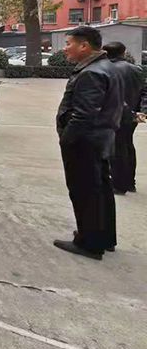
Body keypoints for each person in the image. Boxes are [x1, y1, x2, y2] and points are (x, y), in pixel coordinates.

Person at [54, 26, 121, 260]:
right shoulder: (107, 67)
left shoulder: (91, 73)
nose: (65, 49)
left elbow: (83, 115)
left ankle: (89, 243)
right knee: (100, 189)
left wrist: (67, 139)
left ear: (84, 46)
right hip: (100, 138)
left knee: (84, 191)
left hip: (85, 142)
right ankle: (104, 237)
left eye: (68, 44)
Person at [102, 41, 145, 195]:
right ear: (123, 52)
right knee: (127, 145)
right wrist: (141, 111)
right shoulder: (137, 69)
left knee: (116, 149)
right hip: (132, 114)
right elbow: (144, 90)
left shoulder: (107, 69)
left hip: (114, 113)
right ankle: (130, 182)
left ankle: (119, 184)